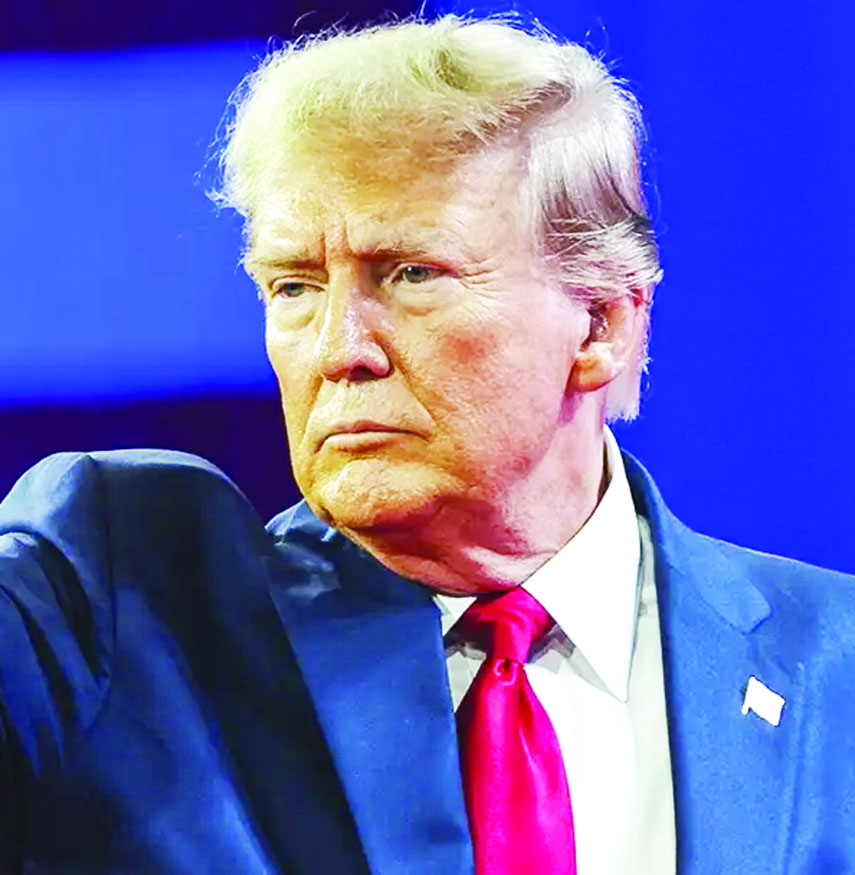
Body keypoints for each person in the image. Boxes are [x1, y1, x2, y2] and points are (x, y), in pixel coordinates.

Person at [1, 14, 853, 875]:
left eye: (411, 274)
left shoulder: (834, 666)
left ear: (600, 323)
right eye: (293, 286)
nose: (339, 349)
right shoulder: (123, 629)